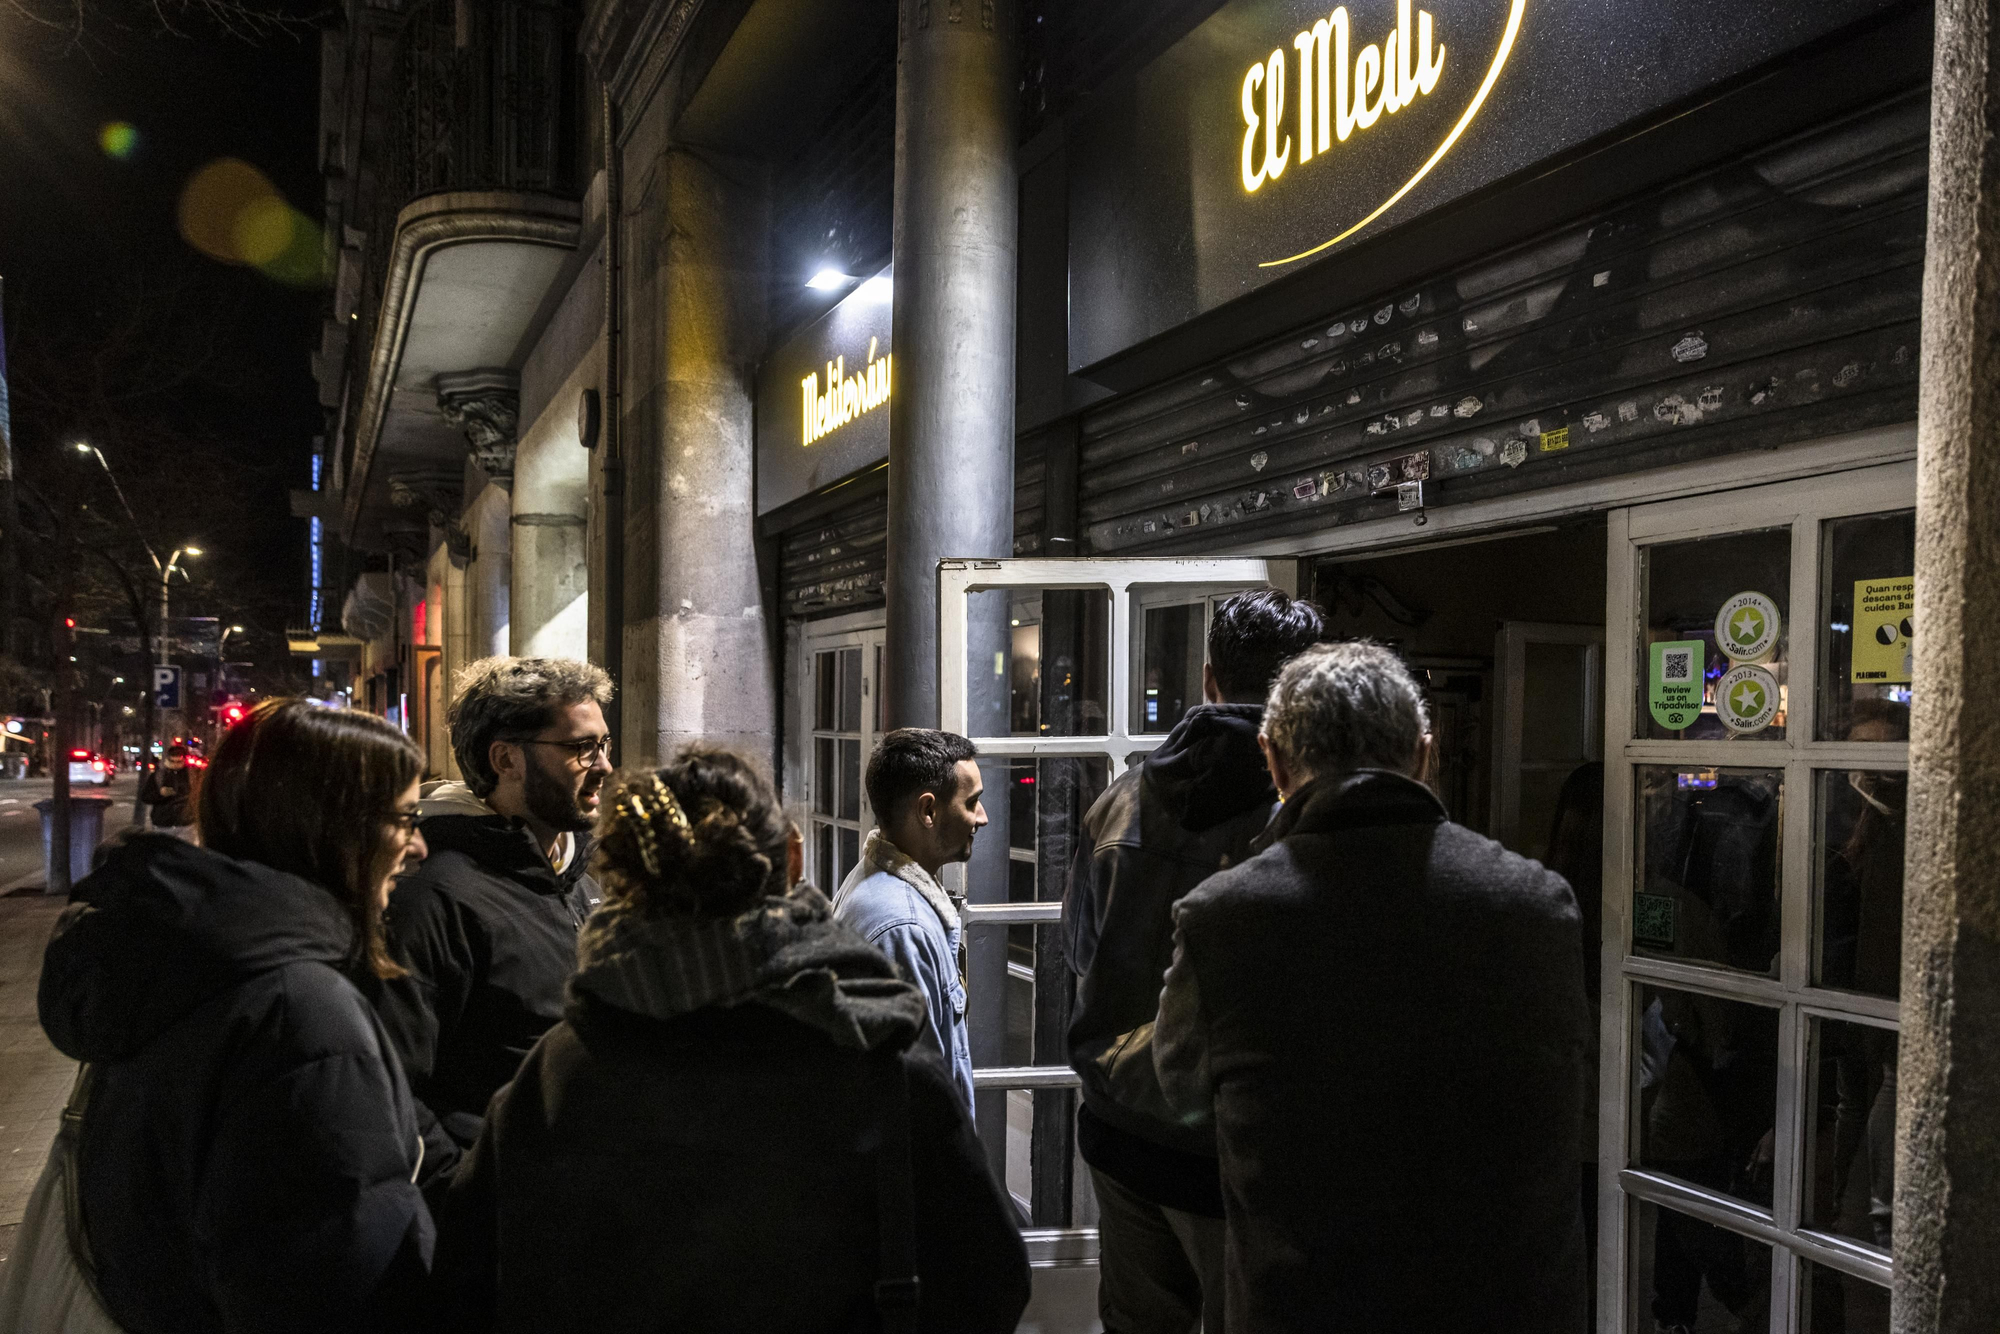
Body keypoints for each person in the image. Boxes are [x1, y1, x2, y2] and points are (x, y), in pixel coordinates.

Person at [432, 749, 1030, 1333]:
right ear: (792, 862)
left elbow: (472, 1276)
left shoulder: (559, 1072)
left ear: (622, 880)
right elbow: (990, 1282)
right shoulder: (882, 1066)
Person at [1154, 641, 1590, 1333]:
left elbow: (1181, 1091)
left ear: (1272, 761)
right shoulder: (1537, 903)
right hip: (1509, 1302)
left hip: (1306, 1304)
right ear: (1424, 754)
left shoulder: (1225, 917)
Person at [37, 699, 434, 1332]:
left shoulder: (184, 968)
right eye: (406, 817)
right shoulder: (298, 1012)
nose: (417, 846)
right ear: (330, 827)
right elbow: (330, 1285)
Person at [1063, 588, 1327, 1334]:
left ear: (1209, 679)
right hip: (1240, 1151)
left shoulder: (1118, 804)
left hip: (1121, 1132)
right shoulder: (1305, 816)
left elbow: (1078, 952)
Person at [372, 656, 614, 1176]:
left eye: (604, 744)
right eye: (581, 748)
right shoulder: (434, 899)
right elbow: (392, 1086)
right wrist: (466, 1194)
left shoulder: (579, 882)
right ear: (505, 759)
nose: (604, 765)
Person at [832, 728, 987, 1114]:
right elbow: (924, 1104)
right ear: (928, 811)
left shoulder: (872, 881)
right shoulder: (904, 927)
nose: (981, 818)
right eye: (972, 803)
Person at [139, 741, 197, 836]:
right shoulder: (159, 775)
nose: (175, 765)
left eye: (179, 762)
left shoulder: (192, 775)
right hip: (163, 824)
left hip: (186, 825)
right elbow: (145, 797)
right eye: (172, 761)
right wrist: (160, 794)